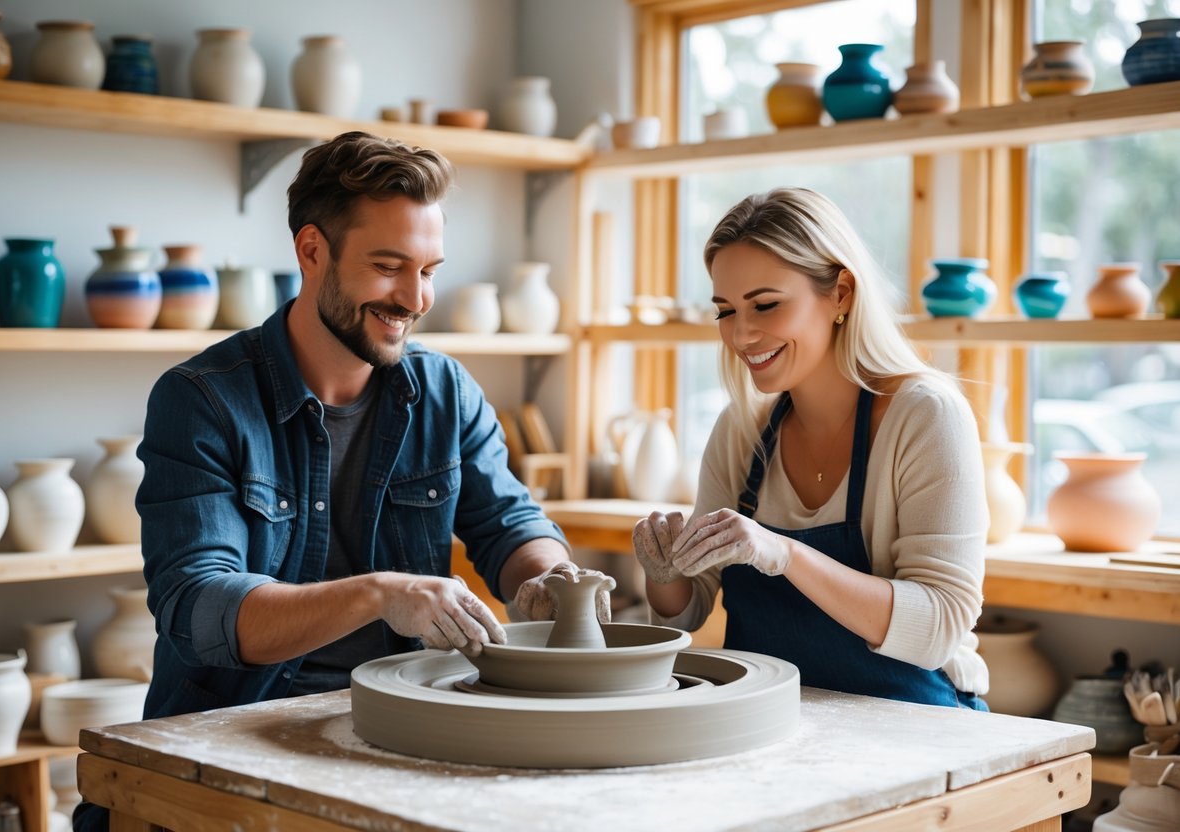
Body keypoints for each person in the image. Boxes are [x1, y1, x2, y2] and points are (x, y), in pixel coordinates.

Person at [76, 131, 609, 829]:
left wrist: (545, 579)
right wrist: (379, 595)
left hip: (402, 724)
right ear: (311, 252)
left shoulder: (445, 391)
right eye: (389, 267)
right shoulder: (201, 400)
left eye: (428, 269)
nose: (415, 298)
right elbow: (198, 606)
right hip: (235, 733)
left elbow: (506, 523)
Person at [632, 187, 990, 709]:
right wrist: (664, 574)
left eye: (767, 305)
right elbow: (687, 614)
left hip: (916, 725)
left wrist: (782, 553)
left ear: (840, 293)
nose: (742, 334)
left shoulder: (925, 414)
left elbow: (939, 624)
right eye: (725, 311)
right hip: (770, 723)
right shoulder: (742, 429)